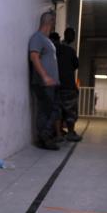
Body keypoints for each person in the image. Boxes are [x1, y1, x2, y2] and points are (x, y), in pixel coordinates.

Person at [29, 11, 61, 150]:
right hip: (44, 83)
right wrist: (45, 76)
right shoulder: (38, 38)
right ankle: (44, 137)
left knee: (49, 110)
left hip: (51, 83)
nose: (54, 25)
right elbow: (34, 57)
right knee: (48, 110)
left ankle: (44, 137)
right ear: (50, 22)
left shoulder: (46, 40)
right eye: (54, 22)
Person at [55, 27, 82, 142]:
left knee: (58, 109)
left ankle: (59, 132)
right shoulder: (70, 51)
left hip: (56, 84)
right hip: (68, 85)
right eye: (73, 35)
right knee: (71, 110)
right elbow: (76, 65)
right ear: (70, 36)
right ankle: (71, 133)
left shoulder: (56, 48)